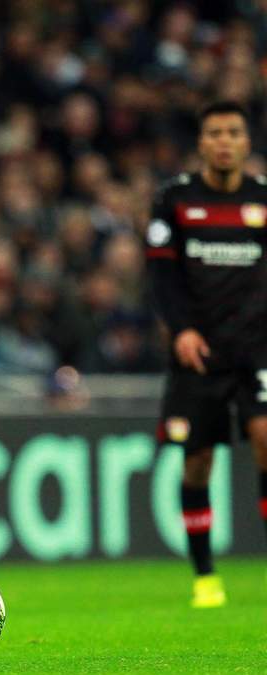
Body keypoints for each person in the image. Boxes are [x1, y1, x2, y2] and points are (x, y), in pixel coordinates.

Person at [146, 100, 267, 609]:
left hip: (257, 348)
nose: (224, 141)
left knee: (266, 438)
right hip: (199, 350)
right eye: (215, 132)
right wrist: (182, 330)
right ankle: (204, 575)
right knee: (197, 461)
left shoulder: (263, 199)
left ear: (246, 142)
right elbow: (161, 274)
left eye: (233, 132)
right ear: (201, 142)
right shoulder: (174, 199)